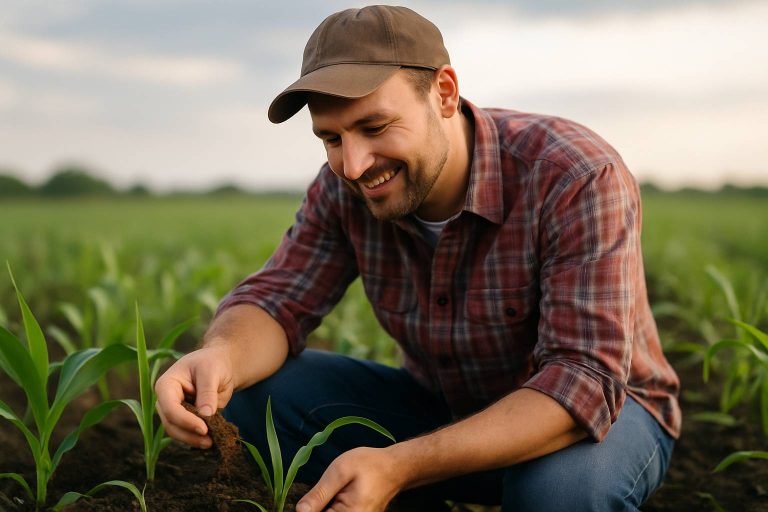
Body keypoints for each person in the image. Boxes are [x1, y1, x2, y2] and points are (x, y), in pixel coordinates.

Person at [155, 5, 681, 511]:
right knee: (252, 393)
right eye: (331, 139)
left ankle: (418, 483)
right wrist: (220, 357)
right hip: (441, 407)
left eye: (375, 127)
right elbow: (278, 299)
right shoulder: (344, 190)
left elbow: (582, 383)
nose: (354, 165)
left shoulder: (573, 175)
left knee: (559, 497)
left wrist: (401, 465)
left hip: (600, 417)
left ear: (444, 93)